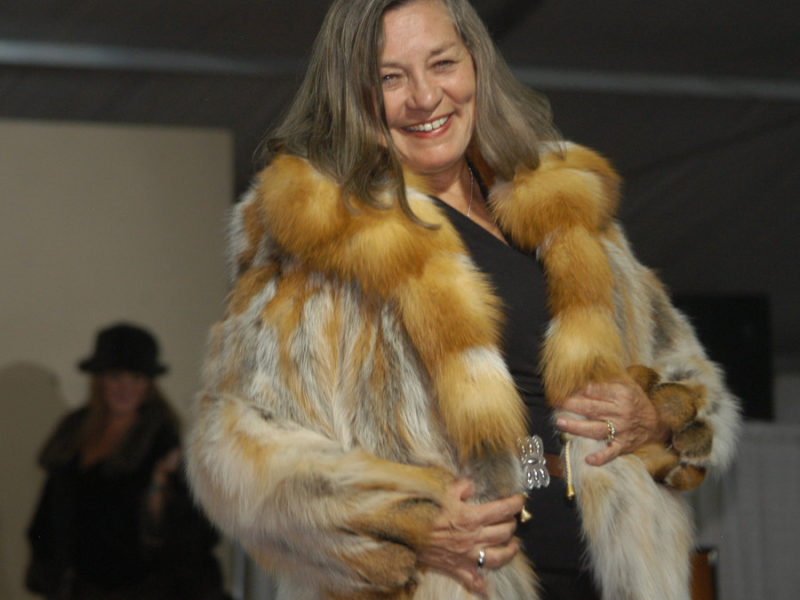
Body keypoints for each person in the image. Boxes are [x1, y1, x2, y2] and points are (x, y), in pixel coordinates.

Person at [186, 1, 741, 598]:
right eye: (389, 77)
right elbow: (234, 450)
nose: (425, 97)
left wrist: (656, 415)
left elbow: (688, 379)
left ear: (476, 65)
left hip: (614, 575)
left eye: (442, 63)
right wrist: (406, 523)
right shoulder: (323, 236)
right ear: (352, 95)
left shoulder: (565, 210)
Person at [25, 323, 227, 600]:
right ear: (99, 379)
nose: (126, 388)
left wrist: (158, 487)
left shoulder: (161, 438)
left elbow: (182, 535)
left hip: (138, 589)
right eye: (116, 376)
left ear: (148, 384)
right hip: (77, 587)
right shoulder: (73, 431)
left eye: (137, 378)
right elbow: (50, 513)